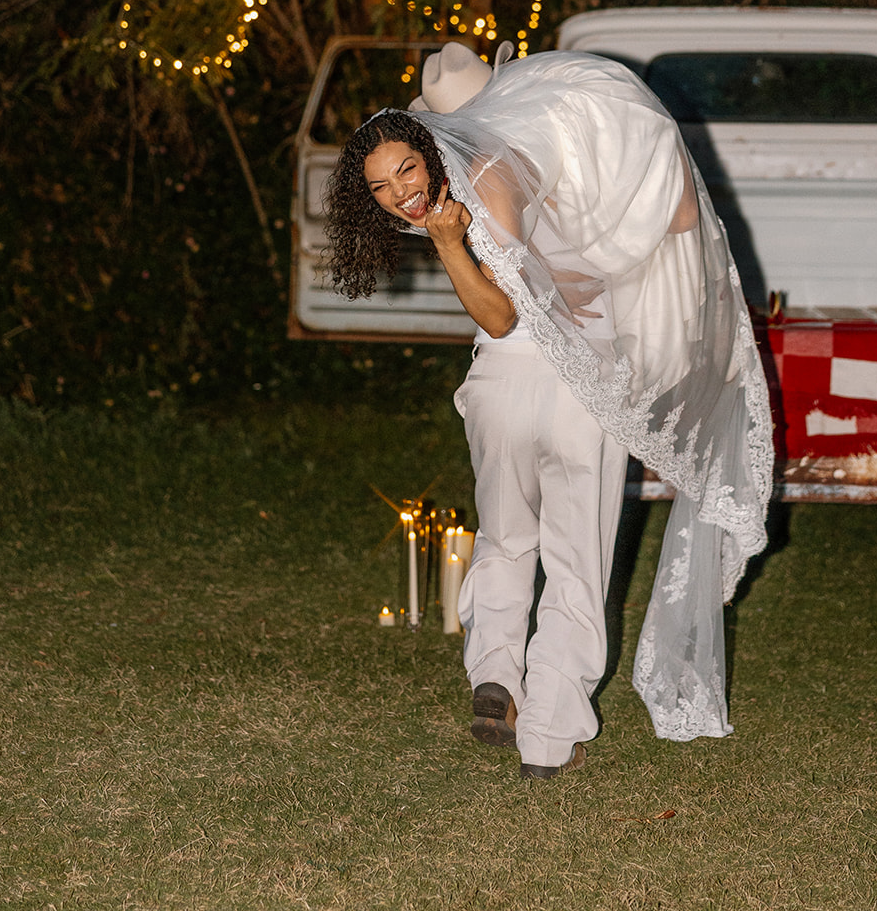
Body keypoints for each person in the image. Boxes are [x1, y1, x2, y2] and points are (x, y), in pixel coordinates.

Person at [324, 44, 773, 779]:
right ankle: (547, 730)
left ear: (437, 141)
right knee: (575, 560)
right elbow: (522, 303)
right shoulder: (550, 166)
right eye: (379, 187)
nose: (399, 193)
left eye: (405, 169)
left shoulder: (484, 183)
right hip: (574, 390)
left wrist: (452, 245)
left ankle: (495, 677)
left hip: (507, 389)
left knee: (507, 541)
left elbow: (502, 316)